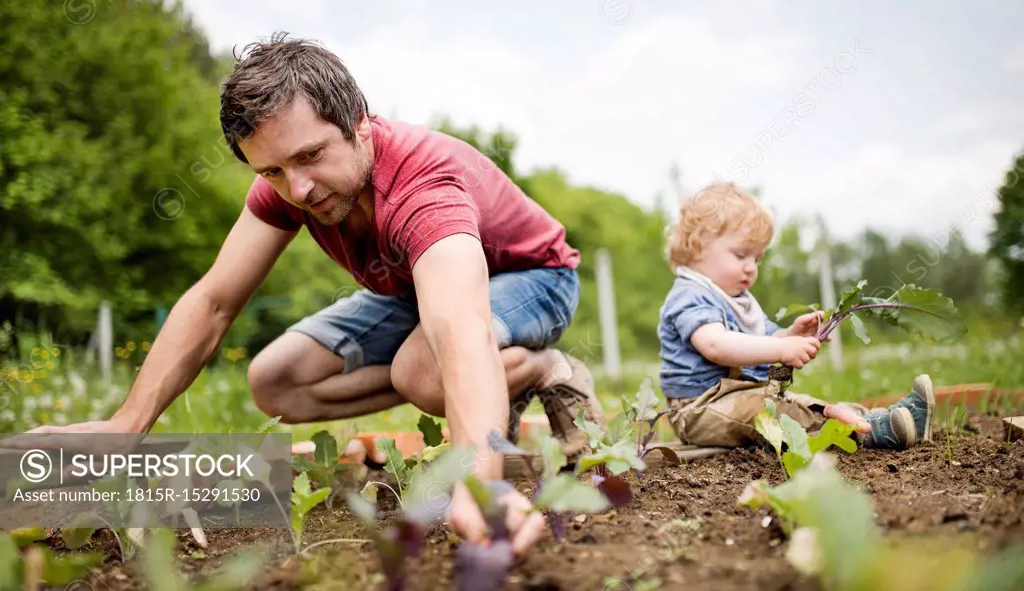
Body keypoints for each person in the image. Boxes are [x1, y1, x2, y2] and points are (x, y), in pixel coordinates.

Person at [22, 33, 606, 555]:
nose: (297, 188)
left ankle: (539, 368)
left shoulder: (424, 190)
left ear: (359, 123)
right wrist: (127, 425)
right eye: (271, 171)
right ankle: (490, 375)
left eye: (310, 157)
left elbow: (460, 327)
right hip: (410, 288)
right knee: (274, 383)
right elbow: (214, 301)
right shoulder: (289, 183)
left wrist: (482, 481)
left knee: (425, 374)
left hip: (534, 279)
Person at [656, 182, 935, 452]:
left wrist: (789, 336)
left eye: (757, 259)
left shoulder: (737, 298)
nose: (751, 268)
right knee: (773, 414)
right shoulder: (689, 295)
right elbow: (715, 345)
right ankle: (866, 433)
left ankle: (880, 419)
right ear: (698, 246)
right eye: (741, 255)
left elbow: (765, 338)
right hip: (699, 410)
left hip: (742, 397)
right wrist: (780, 348)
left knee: (801, 404)